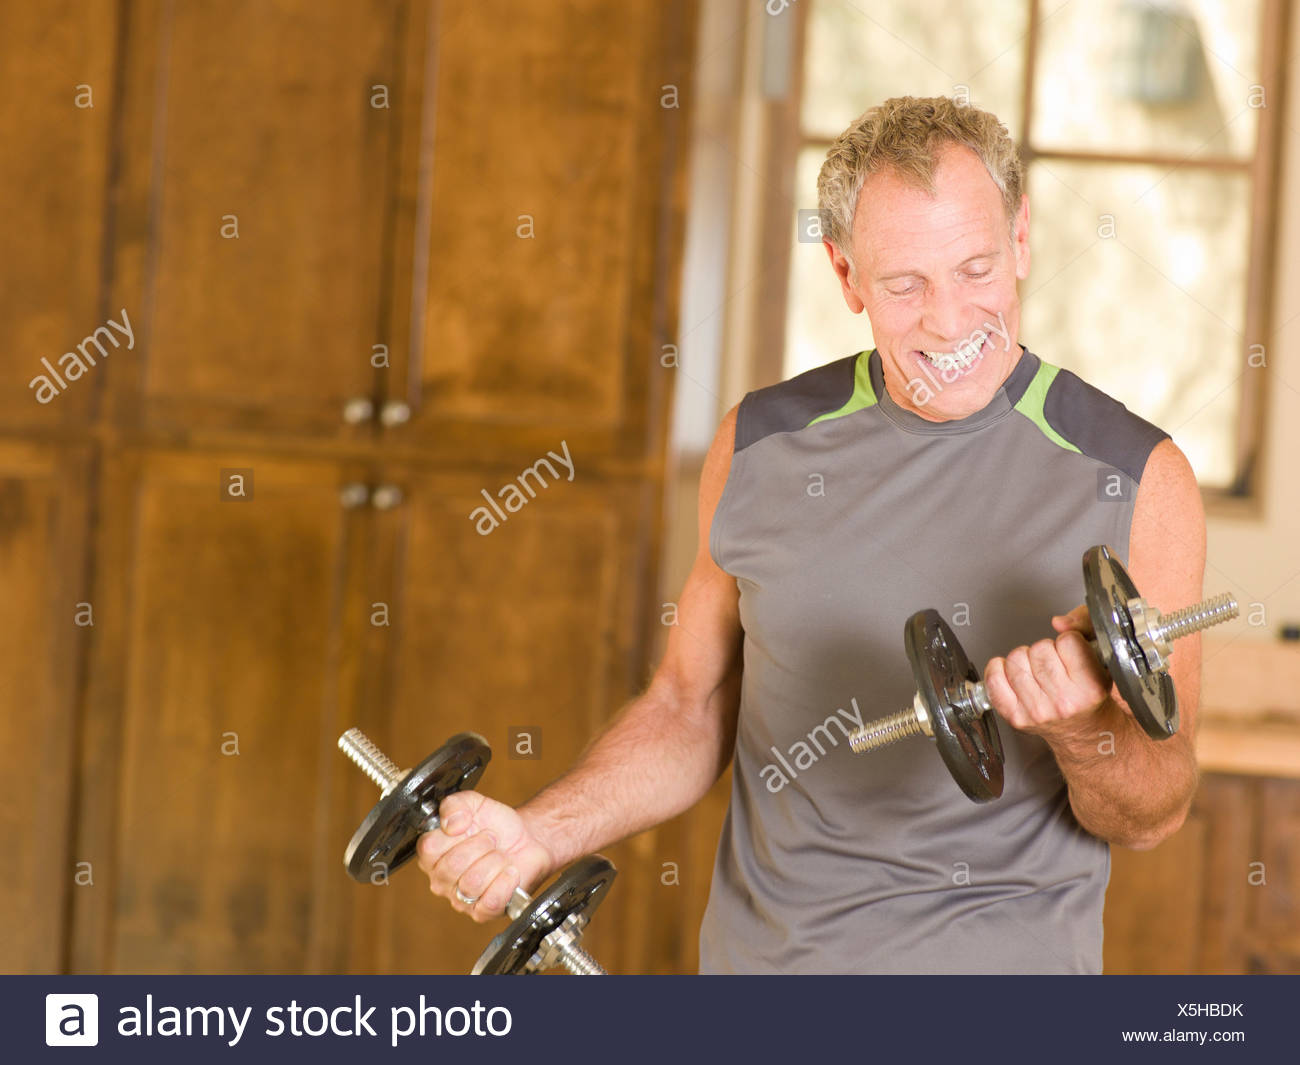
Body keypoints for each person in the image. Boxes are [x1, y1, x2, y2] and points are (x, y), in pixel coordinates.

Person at [415, 96, 1205, 974]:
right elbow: (689, 704)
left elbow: (1155, 811)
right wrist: (536, 832)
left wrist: (1080, 727)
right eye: (906, 284)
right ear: (844, 273)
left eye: (976, 268)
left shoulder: (1140, 480)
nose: (950, 320)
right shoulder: (759, 444)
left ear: (1021, 238)